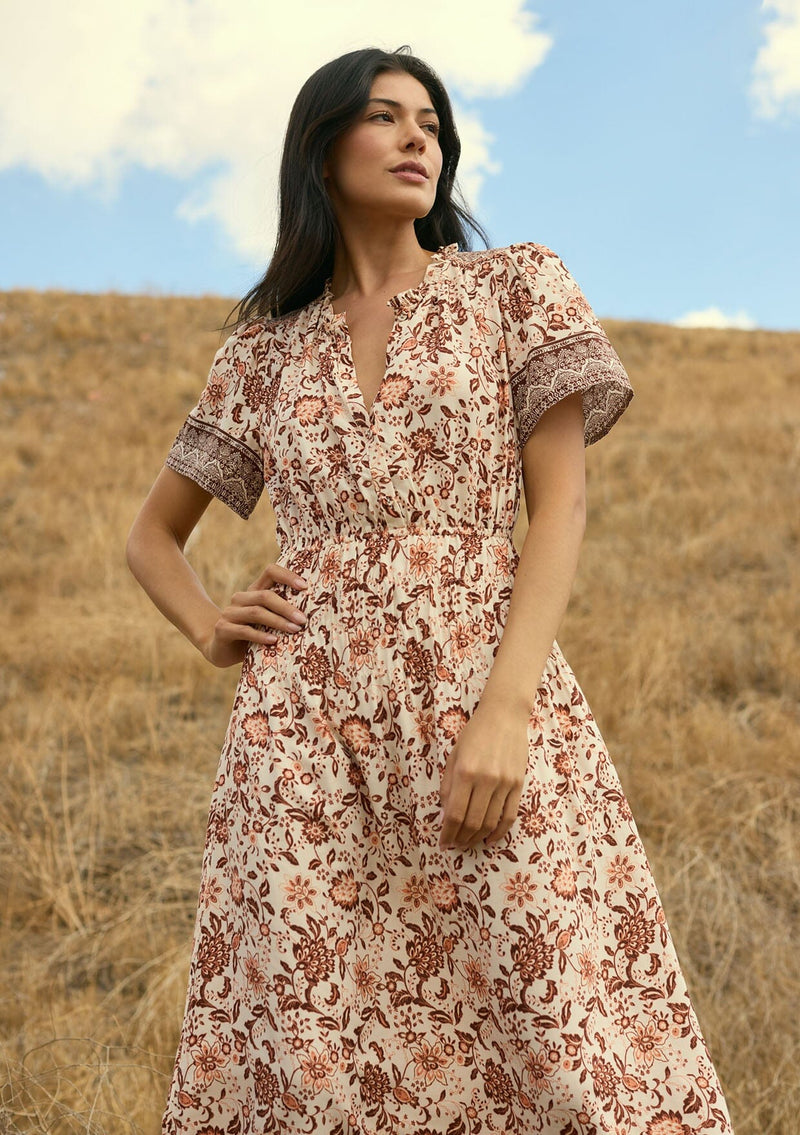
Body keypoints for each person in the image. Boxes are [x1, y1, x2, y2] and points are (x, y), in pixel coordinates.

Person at [127, 44, 735, 1135]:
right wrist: (214, 627)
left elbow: (561, 510)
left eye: (432, 124)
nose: (420, 138)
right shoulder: (262, 355)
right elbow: (151, 539)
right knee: (319, 1050)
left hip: (481, 696)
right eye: (385, 117)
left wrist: (504, 710)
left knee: (556, 1034)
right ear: (320, 154)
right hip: (300, 744)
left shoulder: (509, 288)